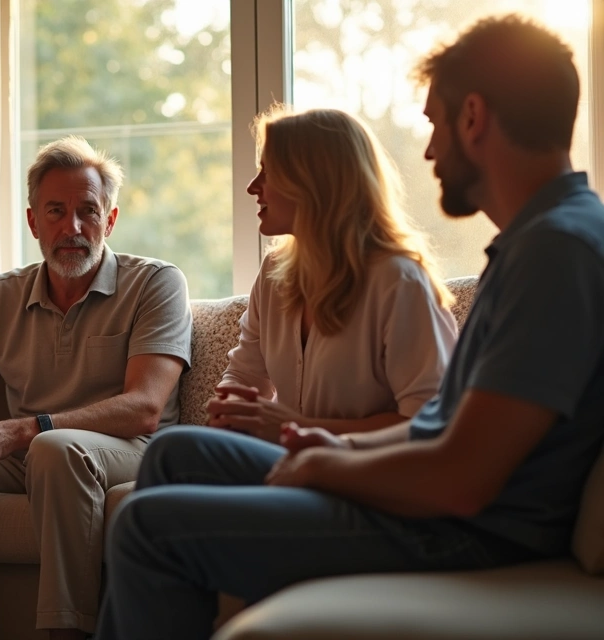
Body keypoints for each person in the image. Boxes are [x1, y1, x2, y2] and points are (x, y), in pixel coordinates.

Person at [96, 14, 604, 640]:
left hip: (465, 531)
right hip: (441, 504)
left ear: (473, 117)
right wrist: (337, 448)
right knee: (177, 453)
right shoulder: (541, 242)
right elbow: (444, 433)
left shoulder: (556, 252)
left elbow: (463, 480)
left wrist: (327, 462)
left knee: (146, 527)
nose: (428, 151)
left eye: (433, 125)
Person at [0, 136, 193, 640]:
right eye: (56, 211)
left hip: (128, 450)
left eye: (88, 211)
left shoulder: (157, 283)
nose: (73, 228)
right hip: (31, 450)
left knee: (54, 448)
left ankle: (66, 632)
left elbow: (144, 409)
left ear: (110, 220)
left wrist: (19, 431)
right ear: (33, 220)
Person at [206, 106, 457, 444]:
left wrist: (292, 427)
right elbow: (245, 375)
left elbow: (428, 424)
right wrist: (233, 410)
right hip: (291, 464)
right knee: (176, 448)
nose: (253, 187)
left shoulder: (399, 282)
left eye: (268, 172)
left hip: (365, 477)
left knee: (175, 450)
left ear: (315, 182)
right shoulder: (273, 274)